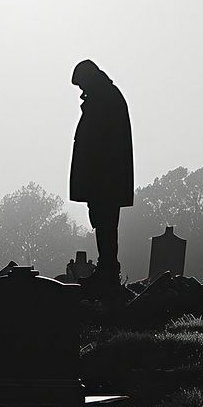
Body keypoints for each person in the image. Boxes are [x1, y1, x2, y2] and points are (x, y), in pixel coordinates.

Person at [69, 60, 133, 289]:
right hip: (102, 178)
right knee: (102, 223)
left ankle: (108, 271)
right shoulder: (103, 97)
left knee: (105, 223)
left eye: (82, 86)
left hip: (105, 178)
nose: (81, 92)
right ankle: (106, 268)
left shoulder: (105, 99)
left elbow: (101, 142)